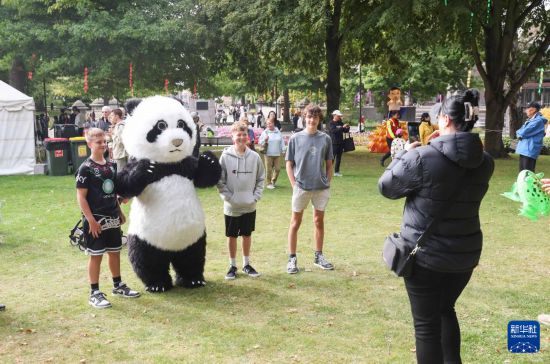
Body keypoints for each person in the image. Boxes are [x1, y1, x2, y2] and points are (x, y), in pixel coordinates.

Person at [378, 89, 494, 363]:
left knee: (426, 327)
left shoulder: (422, 157)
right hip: (464, 255)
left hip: (426, 257)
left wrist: (403, 155)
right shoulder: (485, 162)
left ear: (444, 120)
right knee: (445, 310)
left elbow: (386, 187)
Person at [76, 128, 140, 308]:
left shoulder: (111, 165)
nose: (103, 145)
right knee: (96, 255)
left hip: (112, 216)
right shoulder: (85, 168)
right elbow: (81, 197)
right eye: (98, 142)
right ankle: (94, 292)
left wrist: (119, 211)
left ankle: (118, 285)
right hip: (95, 219)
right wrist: (91, 220)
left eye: (105, 142)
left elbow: (112, 192)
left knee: (114, 251)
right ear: (89, 144)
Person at [285, 104, 334, 274]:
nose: (311, 120)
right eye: (309, 117)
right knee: (295, 223)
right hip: (301, 187)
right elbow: (289, 164)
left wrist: (327, 182)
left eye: (315, 117)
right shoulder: (295, 138)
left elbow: (329, 164)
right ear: (304, 118)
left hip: (320, 188)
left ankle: (318, 256)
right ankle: (292, 259)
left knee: (318, 221)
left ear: (319, 120)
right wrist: (294, 185)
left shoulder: (325, 139)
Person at [217, 122, 265, 280]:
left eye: (244, 134)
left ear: (248, 137)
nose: (242, 137)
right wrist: (228, 198)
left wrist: (255, 197)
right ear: (233, 137)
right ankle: (232, 265)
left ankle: (246, 264)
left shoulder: (255, 157)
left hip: (249, 205)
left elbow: (260, 179)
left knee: (246, 235)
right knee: (232, 236)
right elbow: (220, 181)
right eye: (238, 134)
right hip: (232, 206)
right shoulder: (225, 156)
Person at [516, 101, 547, 172]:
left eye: (527, 108)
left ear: (533, 110)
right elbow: (520, 131)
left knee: (527, 173)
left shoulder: (537, 121)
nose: (525, 110)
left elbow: (523, 132)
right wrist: (519, 133)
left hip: (529, 150)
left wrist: (519, 133)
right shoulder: (532, 120)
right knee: (523, 173)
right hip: (525, 149)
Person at [259, 117, 286, 189]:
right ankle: (268, 183)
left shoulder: (278, 132)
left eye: (270, 123)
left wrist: (283, 150)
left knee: (277, 169)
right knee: (269, 169)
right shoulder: (265, 132)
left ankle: (273, 181)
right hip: (268, 154)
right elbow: (260, 142)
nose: (269, 125)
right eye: (267, 124)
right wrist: (265, 140)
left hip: (277, 153)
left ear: (273, 123)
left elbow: (282, 142)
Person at [329, 109, 350, 177]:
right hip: (334, 143)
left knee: (339, 158)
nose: (339, 117)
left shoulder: (340, 122)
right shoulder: (331, 123)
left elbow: (345, 131)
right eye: (338, 116)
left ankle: (336, 172)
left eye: (340, 116)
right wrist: (342, 127)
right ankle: (328, 171)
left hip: (341, 143)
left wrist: (347, 127)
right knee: (332, 158)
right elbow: (333, 131)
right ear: (334, 116)